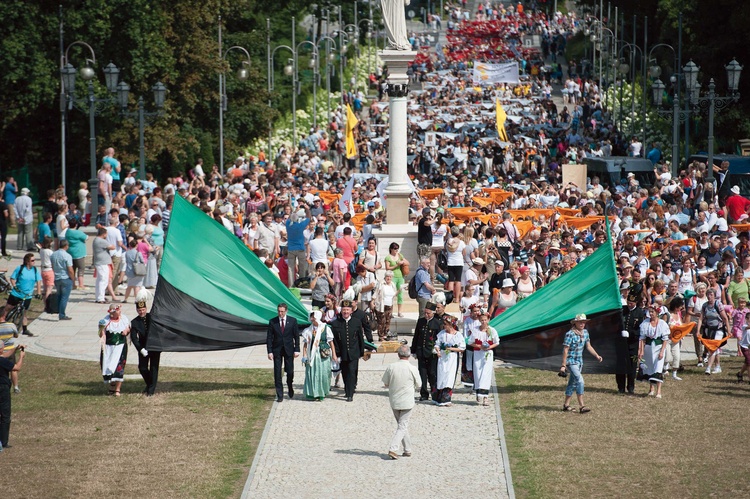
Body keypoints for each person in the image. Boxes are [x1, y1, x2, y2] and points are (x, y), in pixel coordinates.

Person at [381, 344, 421, 460]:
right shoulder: (412, 368)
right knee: (402, 426)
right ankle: (393, 448)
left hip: (394, 400)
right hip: (407, 401)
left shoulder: (391, 367)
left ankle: (407, 449)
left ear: (398, 355)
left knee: (402, 425)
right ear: (409, 355)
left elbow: (386, 383)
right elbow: (419, 384)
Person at [560, 314, 603, 413]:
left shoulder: (585, 333)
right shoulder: (570, 334)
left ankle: (566, 405)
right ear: (575, 323)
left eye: (584, 322)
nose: (582, 324)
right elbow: (565, 350)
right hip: (571, 362)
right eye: (580, 322)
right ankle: (582, 406)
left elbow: (588, 346)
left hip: (579, 362)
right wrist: (563, 365)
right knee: (580, 381)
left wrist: (596, 355)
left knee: (572, 382)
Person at [330, 300, 366, 402]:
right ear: (341, 311)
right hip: (342, 353)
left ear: (351, 311)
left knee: (352, 372)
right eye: (344, 310)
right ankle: (347, 389)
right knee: (345, 372)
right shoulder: (336, 323)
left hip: (354, 352)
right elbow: (335, 340)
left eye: (347, 310)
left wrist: (361, 352)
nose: (345, 312)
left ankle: (350, 393)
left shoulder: (356, 322)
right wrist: (337, 354)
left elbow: (360, 338)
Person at [0, 253, 41, 336]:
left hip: (27, 295)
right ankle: (2, 319)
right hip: (17, 293)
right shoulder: (20, 268)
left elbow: (38, 281)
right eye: (32, 260)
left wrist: (38, 293)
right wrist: (15, 286)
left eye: (34, 260)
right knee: (8, 308)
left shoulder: (35, 270)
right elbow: (12, 278)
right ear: (27, 261)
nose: (34, 262)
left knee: (24, 312)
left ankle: (24, 329)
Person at [266, 303, 300, 402]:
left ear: (286, 311)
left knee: (289, 371)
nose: (280, 313)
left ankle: (290, 385)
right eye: (279, 311)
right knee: (277, 373)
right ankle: (279, 394)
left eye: (282, 311)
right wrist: (269, 351)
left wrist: (297, 349)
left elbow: (296, 336)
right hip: (277, 350)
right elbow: (269, 337)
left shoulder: (292, 321)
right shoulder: (273, 322)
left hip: (289, 349)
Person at [301, 310, 337, 401]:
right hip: (311, 354)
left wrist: (334, 355)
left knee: (323, 373)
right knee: (311, 374)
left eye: (314, 317)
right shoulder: (308, 330)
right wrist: (304, 355)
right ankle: (311, 393)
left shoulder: (325, 328)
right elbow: (305, 344)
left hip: (322, 354)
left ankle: (321, 392)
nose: (312, 319)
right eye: (311, 317)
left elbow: (331, 343)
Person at [130, 293, 160, 396]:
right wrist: (140, 349)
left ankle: (151, 390)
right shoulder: (134, 322)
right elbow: (134, 338)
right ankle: (149, 384)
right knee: (142, 368)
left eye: (143, 310)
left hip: (155, 346)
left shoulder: (152, 317)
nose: (141, 312)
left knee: (154, 368)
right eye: (139, 310)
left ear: (146, 309)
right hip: (143, 347)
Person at [468, 310, 500, 406]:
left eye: (485, 320)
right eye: (482, 320)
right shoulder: (476, 330)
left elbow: (496, 342)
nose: (484, 322)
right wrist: (479, 346)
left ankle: (486, 396)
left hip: (487, 354)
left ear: (488, 320)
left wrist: (489, 347)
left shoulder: (492, 330)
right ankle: (479, 392)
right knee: (478, 372)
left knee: (486, 373)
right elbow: (470, 342)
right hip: (478, 354)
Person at [98, 303, 130, 396]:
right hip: (109, 347)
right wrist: (102, 334)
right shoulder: (105, 321)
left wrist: (126, 331)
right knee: (108, 366)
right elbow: (102, 333)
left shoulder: (123, 319)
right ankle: (111, 386)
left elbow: (128, 328)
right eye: (118, 310)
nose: (120, 312)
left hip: (120, 347)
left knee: (119, 367)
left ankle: (117, 389)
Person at [638, 305, 670, 398]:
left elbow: (665, 339)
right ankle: (651, 388)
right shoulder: (645, 323)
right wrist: (641, 351)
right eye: (650, 312)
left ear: (657, 313)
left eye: (652, 312)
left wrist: (662, 351)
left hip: (658, 347)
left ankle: (659, 391)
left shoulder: (662, 324)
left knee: (658, 368)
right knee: (650, 367)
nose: (651, 314)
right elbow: (642, 339)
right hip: (648, 348)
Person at [434, 314, 465, 406]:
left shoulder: (458, 335)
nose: (444, 326)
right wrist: (438, 351)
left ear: (451, 325)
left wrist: (450, 348)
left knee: (449, 376)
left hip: (452, 358)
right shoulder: (442, 334)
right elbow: (437, 344)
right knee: (441, 375)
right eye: (444, 324)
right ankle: (438, 398)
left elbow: (462, 348)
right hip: (443, 357)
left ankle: (446, 398)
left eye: (446, 324)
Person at [411, 302, 440, 401]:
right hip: (421, 351)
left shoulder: (437, 323)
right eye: (425, 313)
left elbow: (439, 338)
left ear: (433, 313)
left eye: (428, 313)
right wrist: (413, 350)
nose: (426, 315)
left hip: (431, 352)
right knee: (422, 373)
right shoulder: (421, 321)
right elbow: (416, 336)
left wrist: (437, 348)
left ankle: (434, 391)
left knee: (432, 373)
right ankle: (424, 393)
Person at [617, 293, 645, 394]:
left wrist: (631, 333)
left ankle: (631, 386)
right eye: (628, 303)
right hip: (621, 343)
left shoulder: (640, 313)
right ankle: (620, 387)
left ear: (636, 303)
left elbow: (640, 330)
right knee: (620, 365)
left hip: (633, 344)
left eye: (632, 303)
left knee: (632, 366)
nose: (629, 305)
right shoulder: (622, 310)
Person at [0, 340, 26, 451]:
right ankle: (4, 442)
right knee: (5, 416)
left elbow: (5, 355)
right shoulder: (1, 361)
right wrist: (21, 357)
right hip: (2, 389)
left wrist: (15, 349)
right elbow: (16, 368)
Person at [50, 239, 74, 321]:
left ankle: (59, 310)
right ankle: (62, 314)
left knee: (59, 295)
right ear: (66, 246)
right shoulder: (67, 256)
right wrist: (73, 279)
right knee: (64, 297)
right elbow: (70, 269)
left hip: (56, 277)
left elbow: (52, 266)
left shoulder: (53, 255)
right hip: (65, 278)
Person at [384, 242, 408, 317]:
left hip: (400, 276)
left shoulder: (400, 255)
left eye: (397, 249)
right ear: (391, 249)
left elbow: (407, 262)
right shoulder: (388, 257)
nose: (396, 250)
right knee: (392, 294)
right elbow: (387, 268)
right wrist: (397, 265)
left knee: (400, 295)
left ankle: (399, 311)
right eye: (395, 249)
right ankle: (390, 311)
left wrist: (403, 262)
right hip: (392, 277)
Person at [92, 227, 115, 303]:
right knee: (104, 280)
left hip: (100, 262)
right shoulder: (101, 241)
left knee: (99, 280)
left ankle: (99, 296)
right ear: (104, 234)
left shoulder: (95, 240)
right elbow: (112, 247)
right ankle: (101, 298)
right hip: (103, 263)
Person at [14, 187, 34, 252]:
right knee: (28, 232)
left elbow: (15, 209)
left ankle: (19, 246)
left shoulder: (17, 199)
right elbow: (28, 209)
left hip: (19, 219)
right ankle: (29, 246)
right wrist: (24, 218)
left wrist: (18, 217)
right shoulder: (28, 199)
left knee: (20, 232)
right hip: (27, 219)